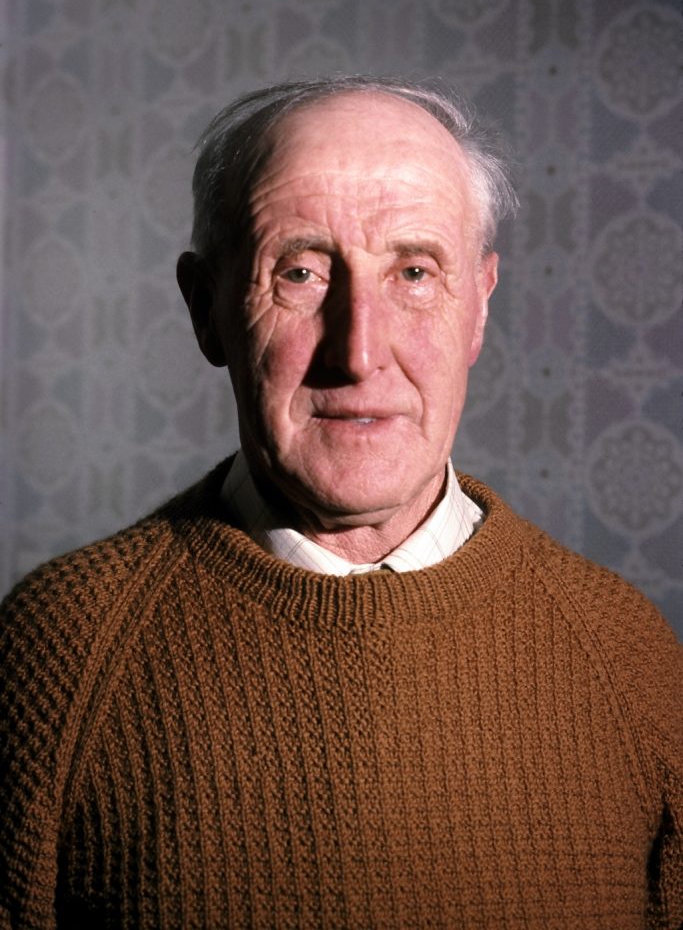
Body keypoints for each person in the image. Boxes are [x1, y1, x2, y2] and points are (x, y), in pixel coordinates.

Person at [1, 76, 681, 930]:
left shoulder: (629, 656)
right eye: (301, 272)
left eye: (413, 271)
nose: (358, 352)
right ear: (206, 310)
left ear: (477, 305)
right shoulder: (54, 651)